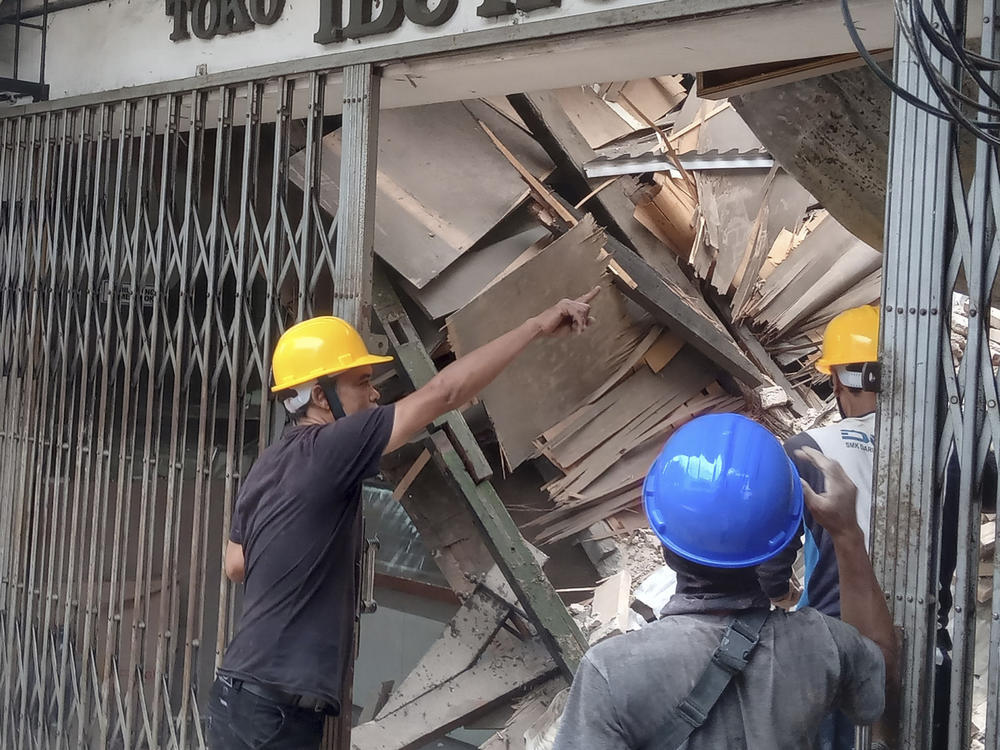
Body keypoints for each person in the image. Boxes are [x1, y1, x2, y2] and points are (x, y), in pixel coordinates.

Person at [206, 287, 600, 750]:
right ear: (319, 395)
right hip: (274, 719)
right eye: (361, 381)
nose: (374, 392)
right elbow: (446, 392)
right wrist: (536, 324)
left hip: (236, 698)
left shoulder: (269, 464)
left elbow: (236, 563)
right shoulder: (332, 449)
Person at [552, 413, 897, 750]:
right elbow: (879, 677)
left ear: (664, 538)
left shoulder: (612, 672)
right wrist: (846, 533)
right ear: (780, 536)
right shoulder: (822, 645)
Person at [757, 305, 996, 749]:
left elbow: (771, 560)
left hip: (839, 659)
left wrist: (780, 592)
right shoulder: (953, 455)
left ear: (836, 382)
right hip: (929, 657)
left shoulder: (809, 452)